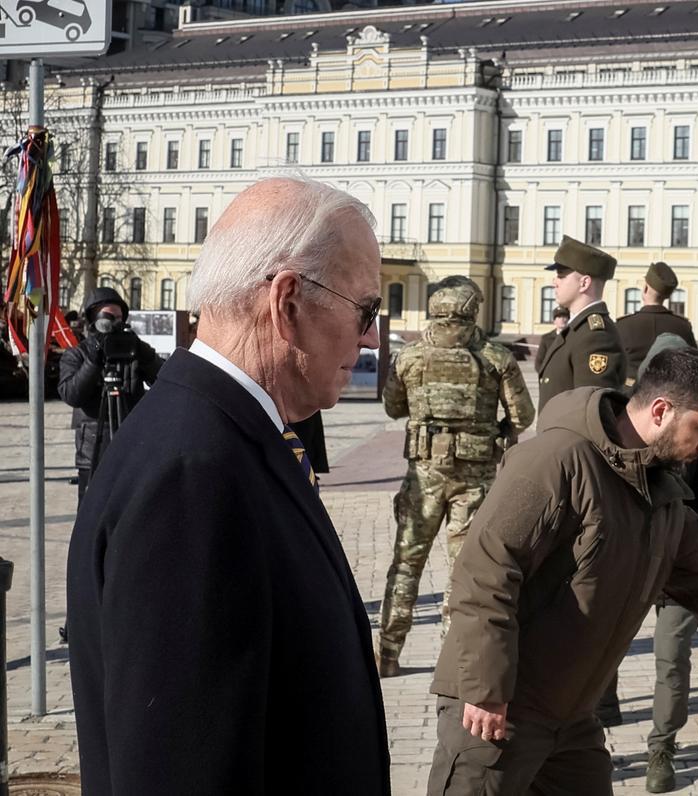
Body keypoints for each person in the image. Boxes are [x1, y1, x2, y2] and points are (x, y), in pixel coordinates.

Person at [66, 177, 390, 794]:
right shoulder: (194, 477)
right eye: (366, 310)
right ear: (288, 302)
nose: (371, 336)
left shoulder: (222, 435)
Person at [425, 348, 698, 795]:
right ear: (661, 410)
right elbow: (486, 568)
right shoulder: (557, 461)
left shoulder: (662, 497)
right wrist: (487, 686)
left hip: (570, 722)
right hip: (497, 708)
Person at [377, 276, 535, 676]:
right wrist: (495, 430)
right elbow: (523, 416)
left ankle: (387, 654)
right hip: (475, 479)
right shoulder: (496, 357)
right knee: (465, 572)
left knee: (406, 563)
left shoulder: (409, 356)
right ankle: (453, 663)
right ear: (472, 308)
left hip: (424, 475)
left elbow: (393, 407)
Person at [639, 336, 698, 793]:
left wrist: (694, 536)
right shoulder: (632, 420)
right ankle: (597, 719)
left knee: (671, 655)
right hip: (633, 557)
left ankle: (662, 747)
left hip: (683, 559)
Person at [57, 286, 162, 507]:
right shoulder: (77, 354)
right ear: (93, 319)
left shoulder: (132, 351)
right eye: (108, 318)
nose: (114, 324)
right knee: (92, 510)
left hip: (131, 444)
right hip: (93, 448)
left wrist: (145, 355)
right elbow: (71, 395)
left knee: (129, 510)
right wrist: (93, 362)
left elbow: (163, 380)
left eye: (119, 318)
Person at [536, 235, 626, 411]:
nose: (555, 282)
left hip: (569, 438)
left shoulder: (595, 336)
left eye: (561, 275)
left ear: (584, 283)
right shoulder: (577, 329)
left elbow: (591, 411)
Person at [615, 261, 697, 383]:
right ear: (668, 296)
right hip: (669, 395)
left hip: (630, 395)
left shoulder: (622, 325)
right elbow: (694, 364)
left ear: (645, 288)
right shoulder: (683, 327)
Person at [535, 305, 569, 370]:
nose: (562, 319)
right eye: (559, 317)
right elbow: (539, 362)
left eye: (564, 316)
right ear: (554, 321)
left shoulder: (573, 337)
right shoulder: (546, 338)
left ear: (568, 319)